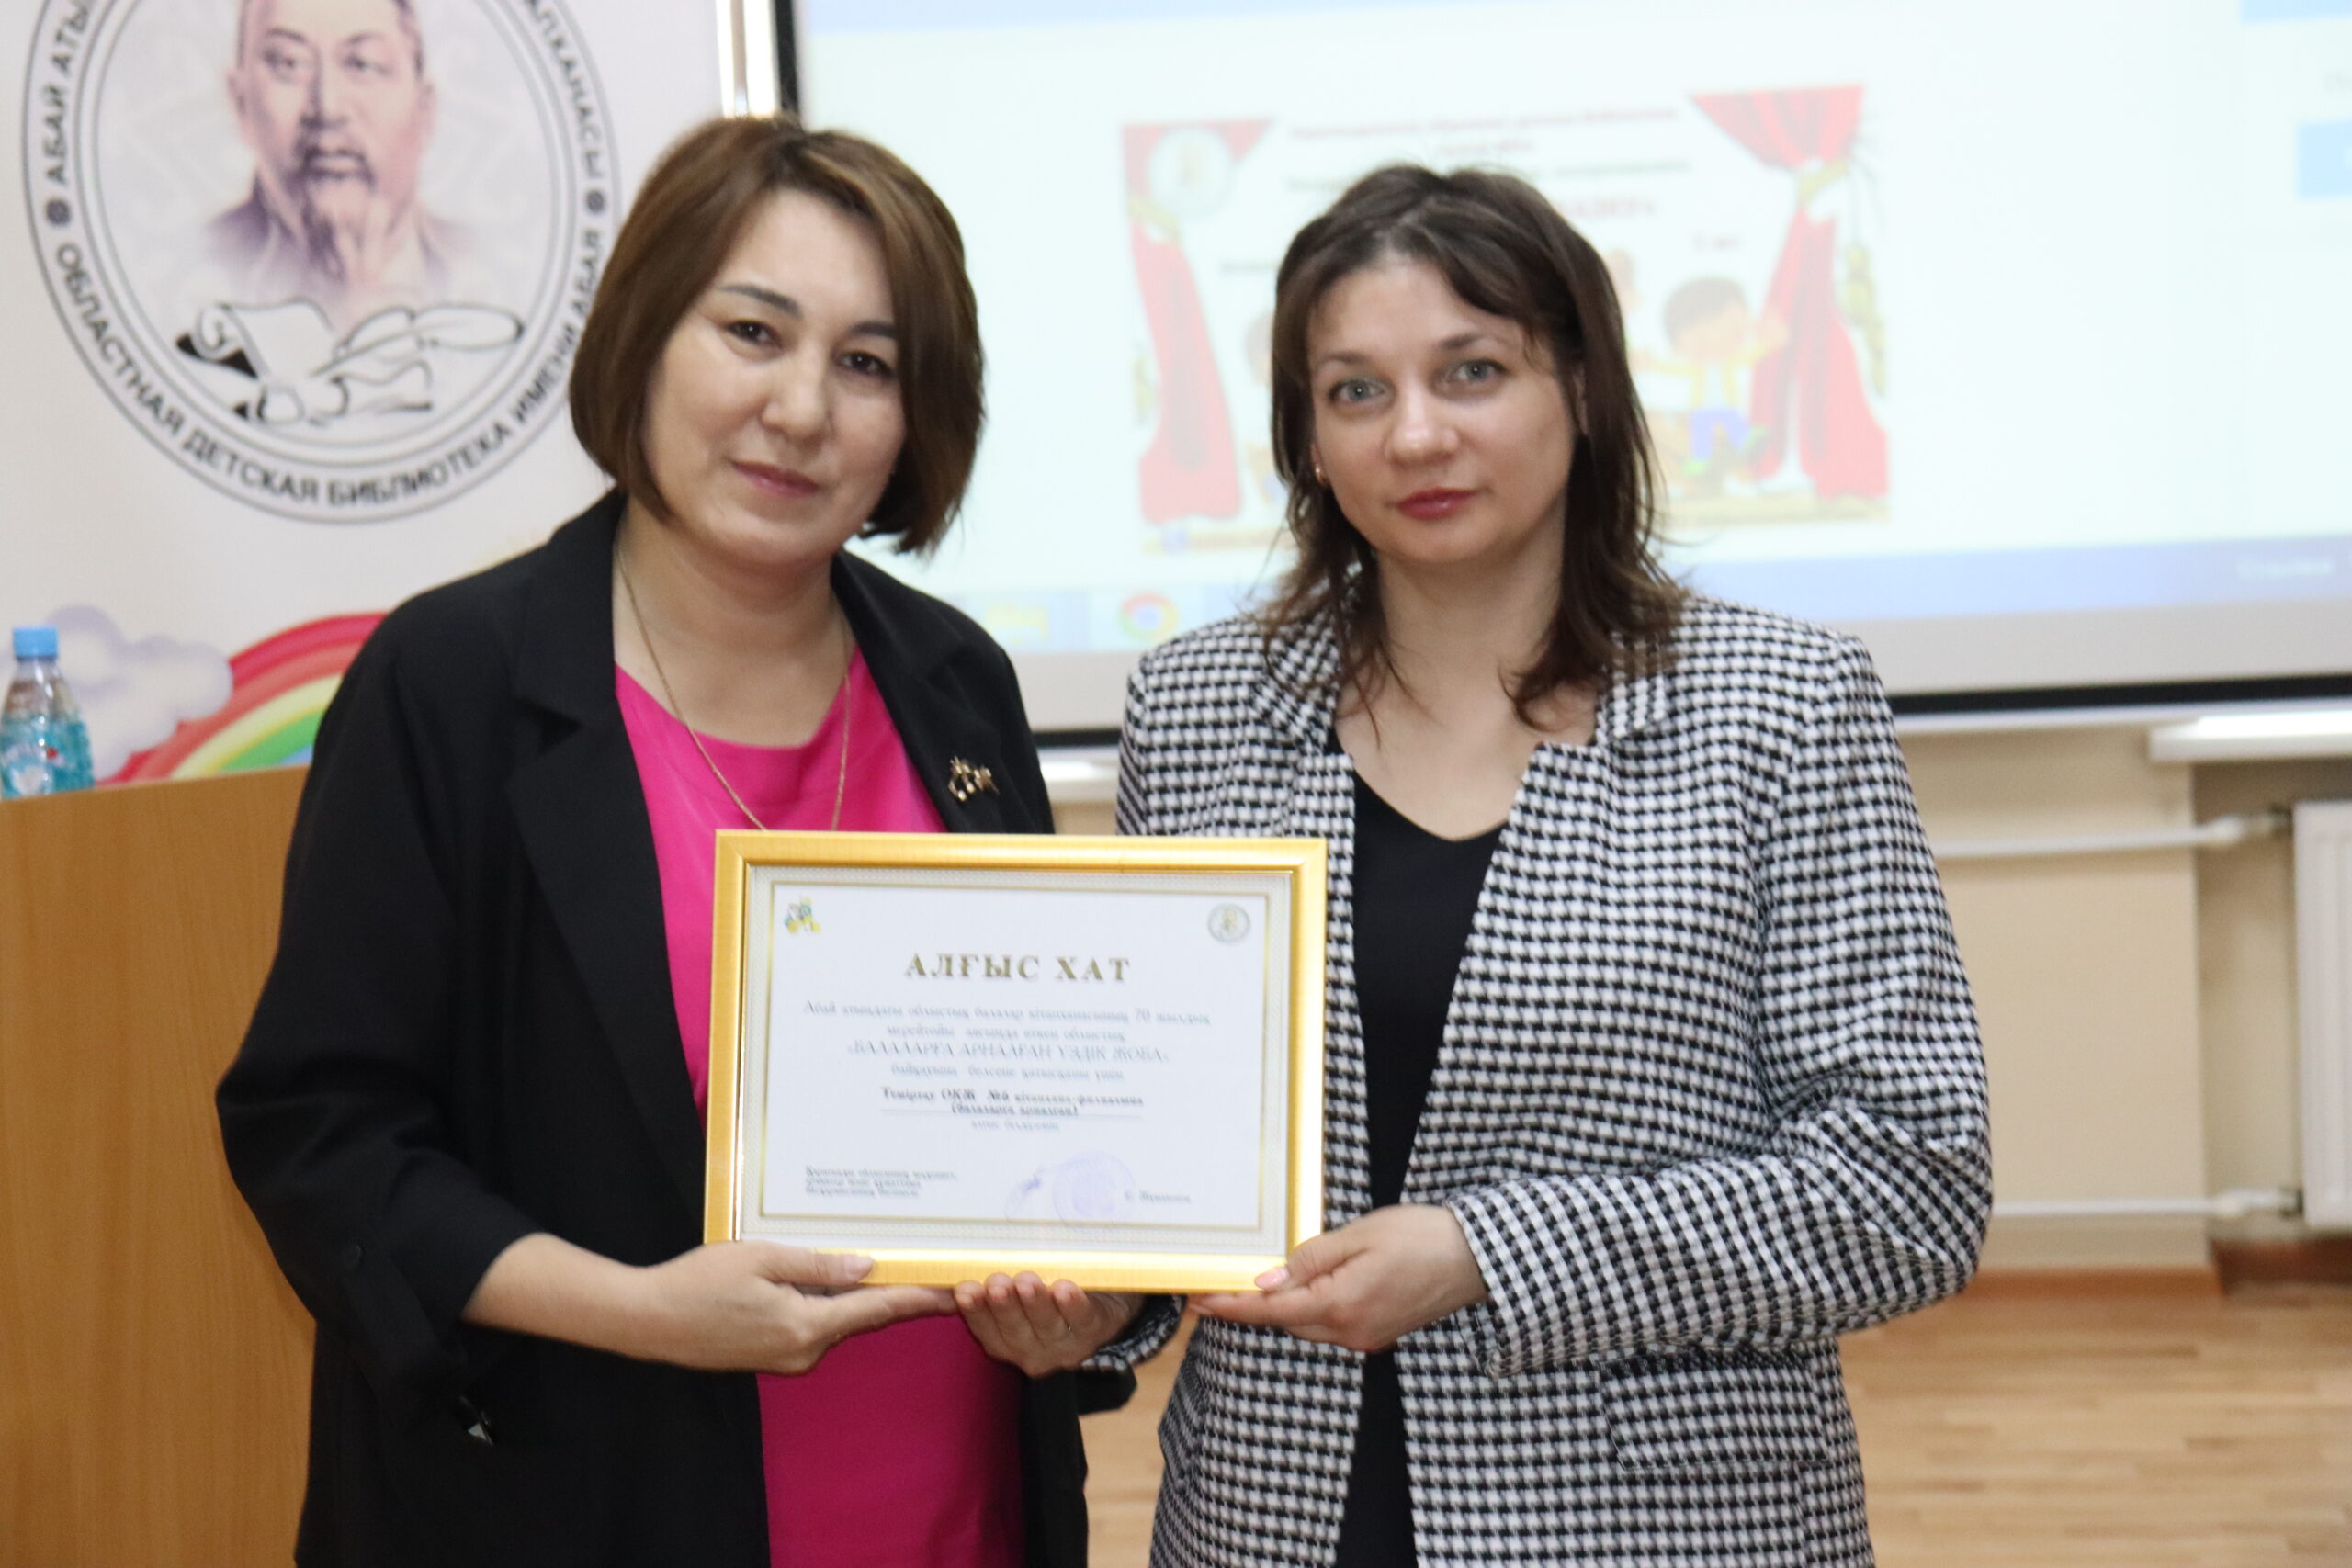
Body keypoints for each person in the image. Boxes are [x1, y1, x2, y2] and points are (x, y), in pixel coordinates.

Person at [217, 114, 1142, 1568]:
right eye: (753, 332)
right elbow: (321, 1132)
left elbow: (1043, 1105)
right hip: (578, 1490)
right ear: (646, 337)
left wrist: (1090, 1291)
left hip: (949, 1503)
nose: (801, 408)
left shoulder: (957, 679)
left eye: (867, 363)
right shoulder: (450, 681)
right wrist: (647, 1309)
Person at [1115, 165, 1991, 1566]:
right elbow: (1167, 1152)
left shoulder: (1781, 706)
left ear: (1581, 390)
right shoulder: (1197, 708)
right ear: (1308, 440)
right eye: (1355, 390)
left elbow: (1908, 1185)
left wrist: (1485, 1252)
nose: (1416, 433)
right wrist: (1093, 1301)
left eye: (1472, 370)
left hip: (1661, 1521)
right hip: (1272, 1510)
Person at [209, 0, 476, 329]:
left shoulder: (486, 264)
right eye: (290, 63)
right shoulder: (187, 266)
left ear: (425, 109)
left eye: (363, 64)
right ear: (240, 103)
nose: (327, 107)